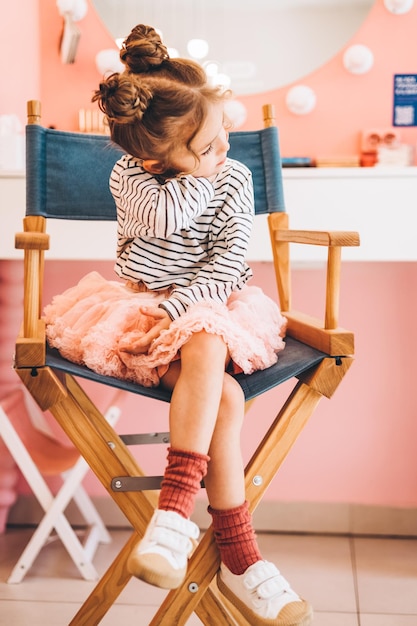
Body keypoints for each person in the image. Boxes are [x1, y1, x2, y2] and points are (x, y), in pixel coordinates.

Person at [45, 24, 313, 626]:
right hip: (140, 311)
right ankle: (241, 550)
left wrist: (190, 306)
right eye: (211, 144)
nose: (227, 153)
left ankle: (171, 516)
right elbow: (166, 217)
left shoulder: (232, 177)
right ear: (151, 157)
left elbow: (228, 263)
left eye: (226, 138)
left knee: (207, 335)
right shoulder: (130, 180)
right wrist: (195, 172)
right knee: (220, 393)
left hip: (211, 307)